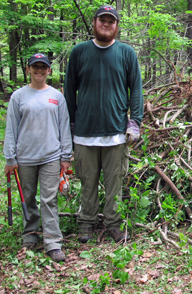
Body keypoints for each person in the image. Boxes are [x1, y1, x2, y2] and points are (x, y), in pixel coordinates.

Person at [64, 4, 143, 244]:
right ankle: (86, 223)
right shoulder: (79, 52)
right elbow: (69, 91)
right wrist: (70, 125)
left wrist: (135, 122)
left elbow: (136, 90)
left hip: (116, 132)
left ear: (117, 26)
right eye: (102, 20)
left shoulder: (126, 53)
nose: (106, 24)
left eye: (111, 21)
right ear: (95, 22)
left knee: (114, 183)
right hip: (85, 132)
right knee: (87, 181)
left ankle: (113, 224)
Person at [3, 53, 72, 262]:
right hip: (25, 157)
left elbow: (64, 126)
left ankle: (52, 241)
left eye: (43, 67)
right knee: (28, 197)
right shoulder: (18, 96)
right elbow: (11, 128)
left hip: (51, 155)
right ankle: (30, 234)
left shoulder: (57, 96)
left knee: (49, 199)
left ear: (49, 70)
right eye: (35, 67)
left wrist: (66, 155)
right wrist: (10, 158)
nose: (39, 70)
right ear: (28, 69)